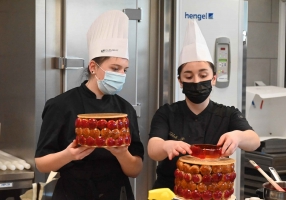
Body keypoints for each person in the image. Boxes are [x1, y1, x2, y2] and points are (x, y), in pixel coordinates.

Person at [35, 10, 144, 200]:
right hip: (72, 193)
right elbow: (42, 164)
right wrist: (69, 155)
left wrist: (122, 154)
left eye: (124, 70)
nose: (121, 75)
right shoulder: (61, 105)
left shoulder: (125, 110)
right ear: (93, 67)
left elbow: (135, 170)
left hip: (117, 193)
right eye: (115, 69)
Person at [147, 19, 260, 191]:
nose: (197, 81)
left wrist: (238, 136)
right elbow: (153, 148)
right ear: (180, 81)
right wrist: (165, 146)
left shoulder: (228, 114)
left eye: (203, 74)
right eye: (189, 76)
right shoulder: (167, 112)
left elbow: (254, 141)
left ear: (213, 78)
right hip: (170, 191)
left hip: (214, 191)